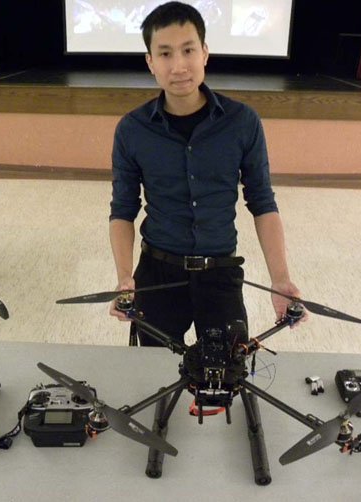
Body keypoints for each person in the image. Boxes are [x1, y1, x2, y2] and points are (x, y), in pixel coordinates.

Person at [108, 1, 305, 347]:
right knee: (155, 379)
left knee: (226, 381)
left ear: (205, 53)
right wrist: (125, 277)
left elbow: (262, 203)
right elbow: (123, 210)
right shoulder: (132, 129)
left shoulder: (242, 122)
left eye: (188, 50)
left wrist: (281, 279)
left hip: (220, 271)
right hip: (157, 272)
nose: (179, 65)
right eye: (165, 53)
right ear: (150, 62)